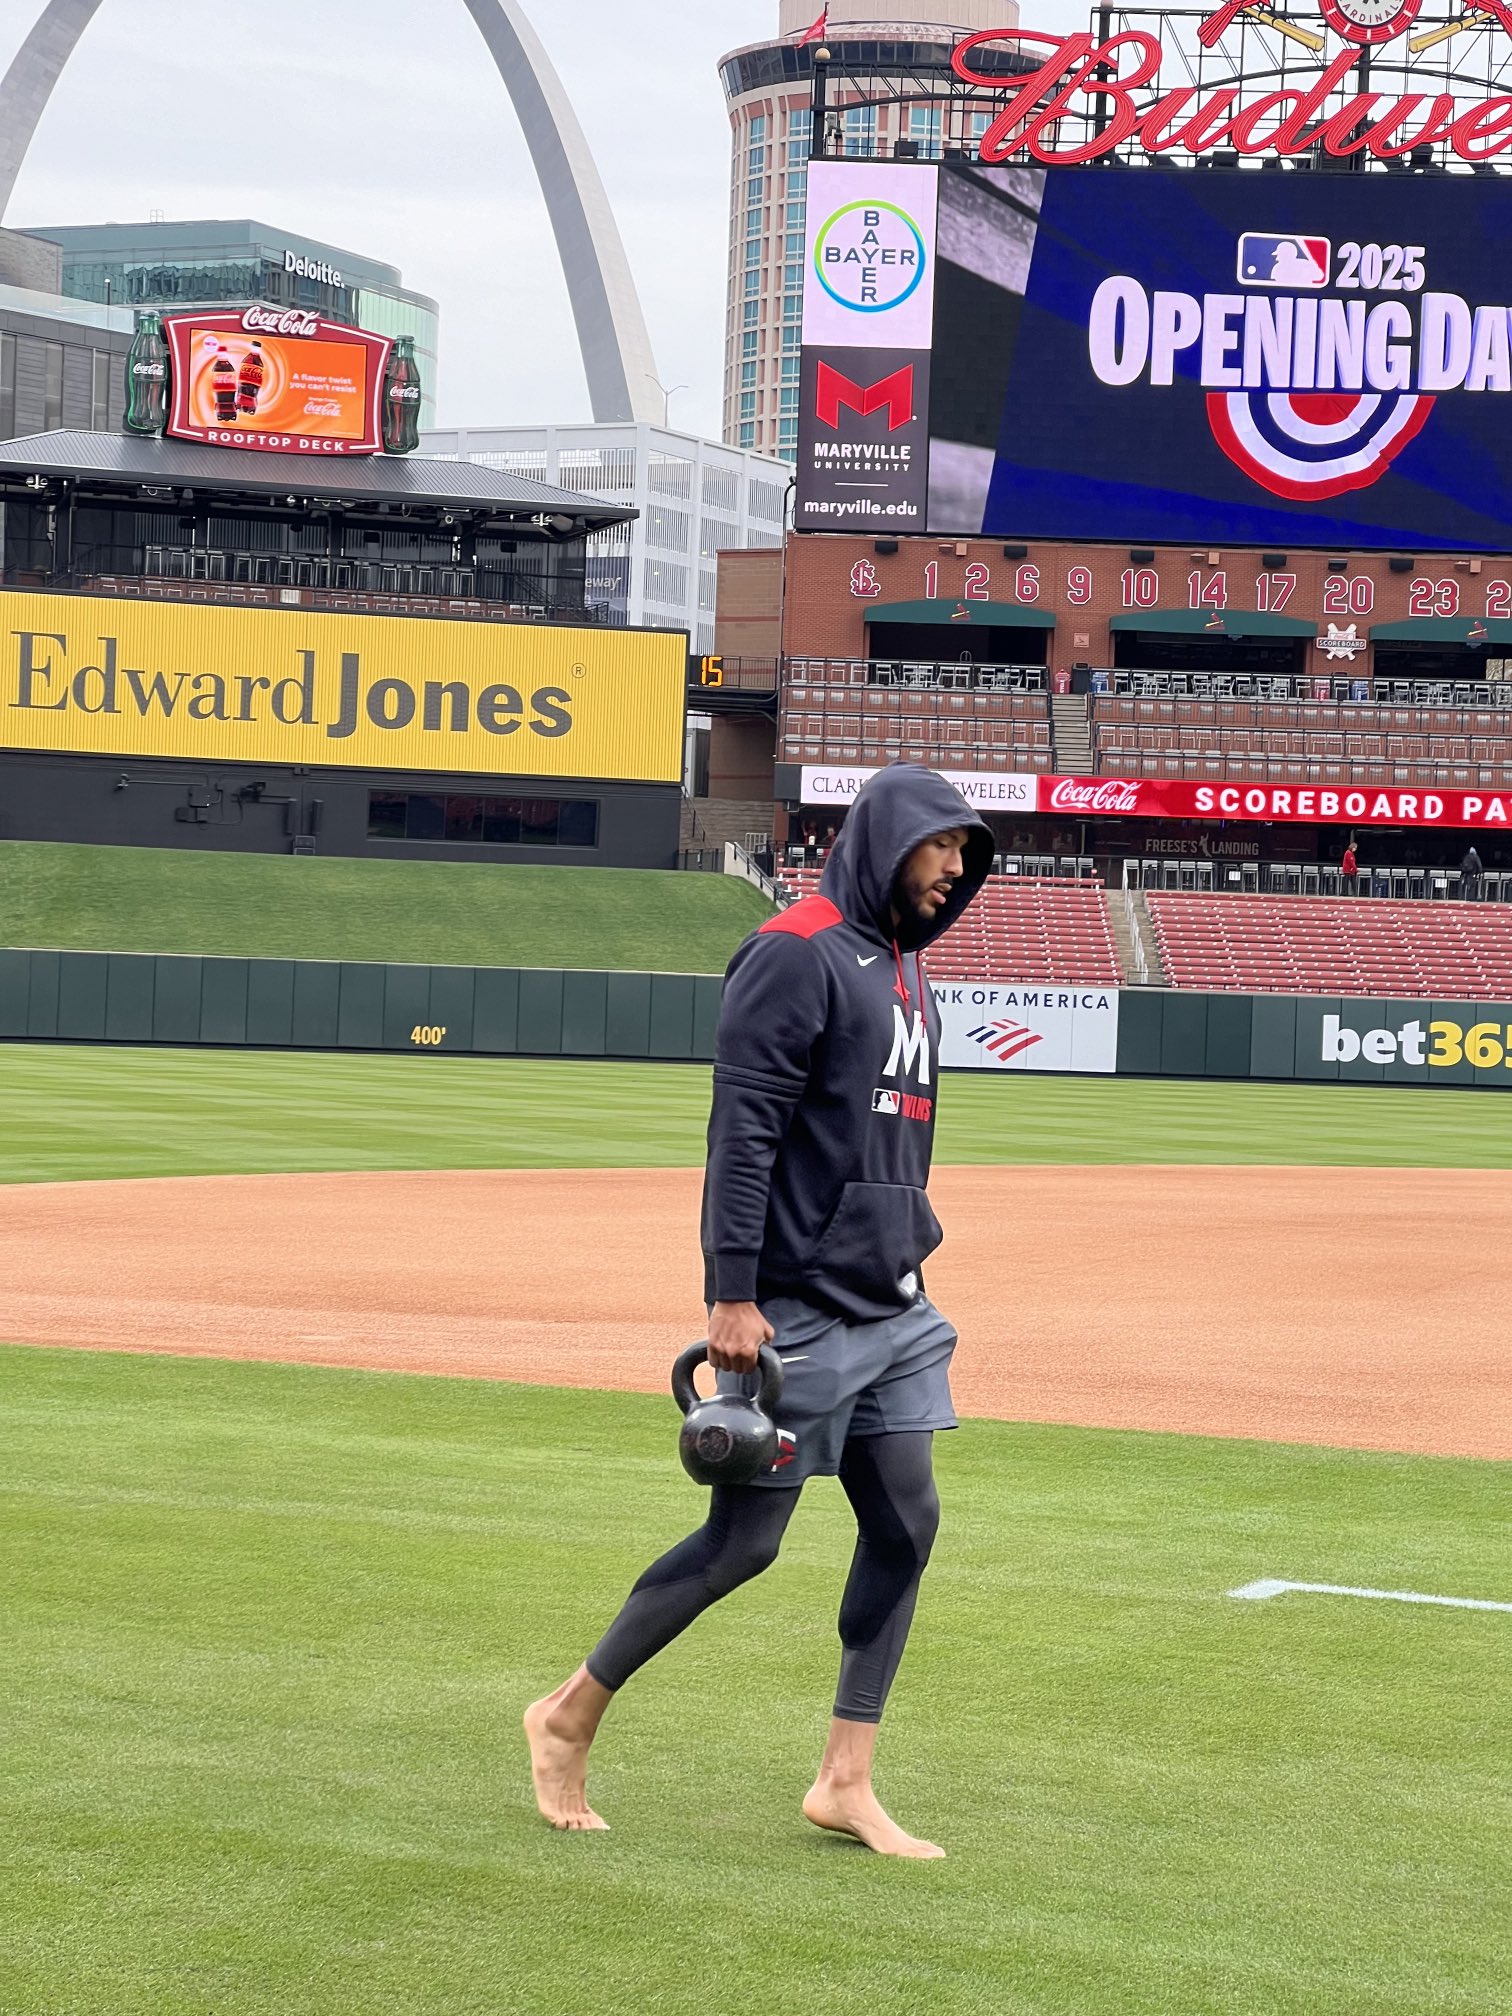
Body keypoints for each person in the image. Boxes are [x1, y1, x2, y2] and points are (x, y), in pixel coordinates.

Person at [525, 764, 993, 1857]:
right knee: (743, 1546)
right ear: (890, 839)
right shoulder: (796, 953)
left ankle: (845, 1779)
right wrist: (731, 1293)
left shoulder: (905, 969)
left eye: (967, 853)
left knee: (906, 1523)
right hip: (797, 1313)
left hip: (897, 1308)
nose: (955, 870)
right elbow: (741, 1136)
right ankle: (566, 1715)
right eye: (941, 848)